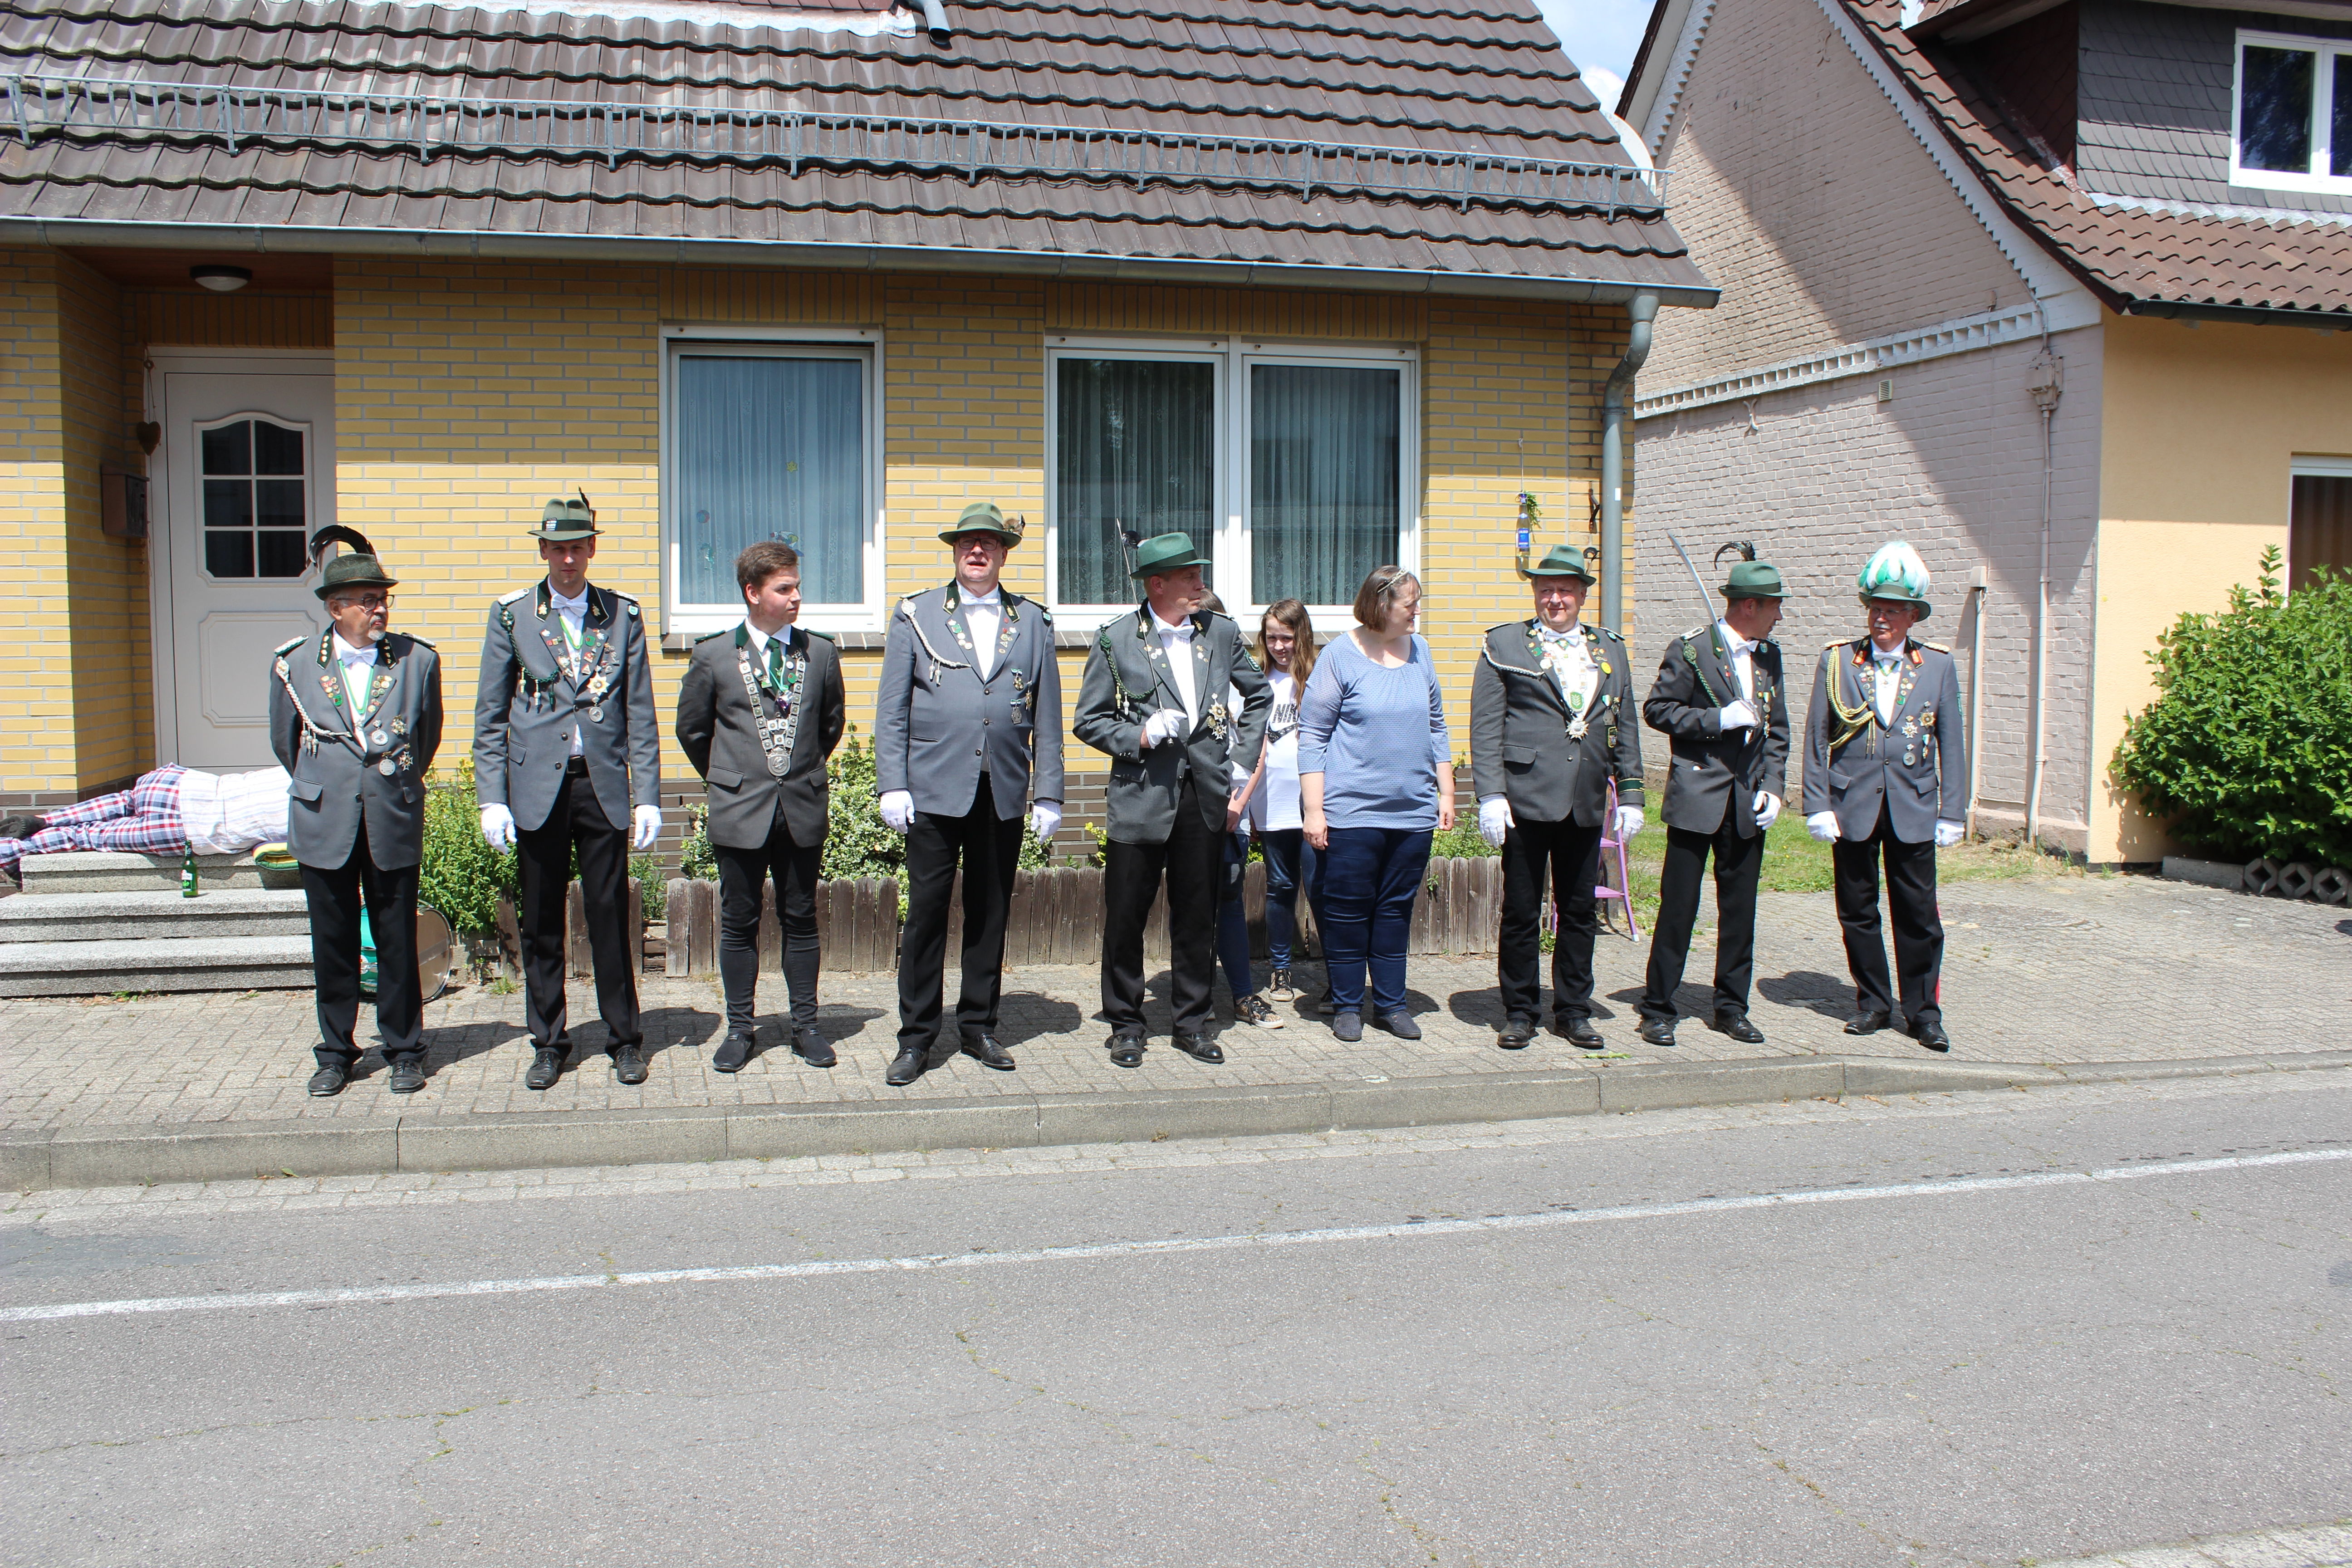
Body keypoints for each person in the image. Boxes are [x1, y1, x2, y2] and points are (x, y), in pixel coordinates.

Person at [473, 497, 664, 1090]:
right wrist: (491, 796)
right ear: (543, 551)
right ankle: (549, 1042)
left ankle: (624, 1039)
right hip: (536, 786)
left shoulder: (621, 615)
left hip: (601, 784)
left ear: (592, 549)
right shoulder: (513, 616)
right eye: (558, 548)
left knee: (610, 916)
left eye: (578, 548)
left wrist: (648, 793)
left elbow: (640, 710)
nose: (568, 559)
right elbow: (490, 715)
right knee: (541, 923)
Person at [872, 502, 1064, 1087]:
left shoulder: (1033, 620)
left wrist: (1049, 792)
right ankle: (916, 1037)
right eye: (966, 543)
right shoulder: (917, 613)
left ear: (1004, 553)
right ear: (955, 551)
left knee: (990, 913)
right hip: (932, 789)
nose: (976, 551)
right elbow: (891, 709)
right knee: (927, 915)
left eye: (988, 543)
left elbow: (1048, 715)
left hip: (1001, 788)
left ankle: (979, 1025)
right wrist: (892, 783)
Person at [1074, 533, 1271, 1068]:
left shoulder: (1220, 632)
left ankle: (1192, 1022)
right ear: (1157, 584)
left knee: (1196, 916)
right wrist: (1138, 735)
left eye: (1199, 573)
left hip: (1203, 797)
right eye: (1189, 576)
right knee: (1126, 918)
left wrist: (1240, 759)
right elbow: (1089, 720)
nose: (1200, 583)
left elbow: (1260, 695)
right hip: (1141, 795)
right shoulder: (1117, 638)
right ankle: (1126, 1024)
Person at [268, 536, 444, 1097]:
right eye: (367, 600)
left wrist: (380, 784)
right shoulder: (295, 664)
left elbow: (426, 737)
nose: (379, 609)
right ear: (335, 607)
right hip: (325, 820)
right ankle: (336, 1053)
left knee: (397, 940)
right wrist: (337, 782)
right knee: (334, 943)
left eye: (383, 599)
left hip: (391, 814)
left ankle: (405, 1050)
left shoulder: (417, 660)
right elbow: (285, 743)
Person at [676, 540, 848, 1073]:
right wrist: (730, 777)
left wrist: (795, 770)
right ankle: (740, 1029)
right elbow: (692, 729)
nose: (796, 597)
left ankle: (806, 1027)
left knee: (801, 918)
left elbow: (831, 724)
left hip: (801, 806)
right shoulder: (713, 656)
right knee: (739, 921)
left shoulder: (820, 654)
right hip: (739, 809)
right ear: (753, 593)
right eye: (784, 588)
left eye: (797, 587)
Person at [1469, 544, 1646, 1050]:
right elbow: (1486, 726)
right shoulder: (1505, 643)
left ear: (1583, 595)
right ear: (1535, 593)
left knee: (1579, 911)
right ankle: (1520, 1011)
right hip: (1525, 799)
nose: (1555, 600)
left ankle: (1573, 1011)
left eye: (1565, 591)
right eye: (1545, 590)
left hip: (1585, 798)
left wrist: (1631, 794)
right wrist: (1491, 794)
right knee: (1522, 911)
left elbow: (1624, 725)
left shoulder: (1610, 648)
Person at [1803, 542, 1969, 1052]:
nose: (1881, 619)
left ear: (1912, 617)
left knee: (1918, 914)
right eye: (1875, 609)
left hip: (1914, 804)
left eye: (1893, 611)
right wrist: (1817, 804)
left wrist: (1953, 812)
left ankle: (1924, 1014)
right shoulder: (1838, 661)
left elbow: (1952, 742)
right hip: (1852, 804)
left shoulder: (1937, 665)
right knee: (1858, 910)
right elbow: (1816, 737)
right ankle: (1873, 1003)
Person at [1636, 551, 1791, 1048]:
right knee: (1679, 909)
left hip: (1746, 801)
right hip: (1697, 796)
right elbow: (1657, 710)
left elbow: (1778, 731)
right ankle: (1658, 1008)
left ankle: (1732, 1008)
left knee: (1740, 912)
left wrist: (1773, 786)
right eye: (1774, 606)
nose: (1780, 615)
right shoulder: (1692, 650)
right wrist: (1717, 720)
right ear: (1749, 605)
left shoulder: (1769, 657)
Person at [1298, 565, 1455, 1044]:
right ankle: (1347, 1006)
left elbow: (1437, 725)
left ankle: (1391, 1005)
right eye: (1411, 603)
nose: (1418, 611)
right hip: (1352, 813)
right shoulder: (1339, 656)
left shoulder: (1420, 651)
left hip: (1412, 814)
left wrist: (1447, 793)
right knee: (1347, 913)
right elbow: (1313, 735)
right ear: (1383, 605)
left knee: (1394, 912)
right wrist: (1314, 810)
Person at [1203, 593, 1282, 1032]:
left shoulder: (1238, 681)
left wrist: (1238, 804)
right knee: (1193, 904)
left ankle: (1242, 995)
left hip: (1233, 809)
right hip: (1191, 810)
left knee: (1230, 903)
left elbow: (1260, 750)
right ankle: (1195, 998)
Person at [1245, 601, 1320, 1007]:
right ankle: (1280, 969)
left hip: (1314, 804)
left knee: (1321, 887)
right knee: (1280, 886)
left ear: (1301, 637)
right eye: (1271, 637)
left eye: (1287, 638)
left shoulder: (1319, 679)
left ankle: (1336, 975)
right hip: (1270, 801)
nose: (1278, 646)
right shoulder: (1255, 681)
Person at [0, 764, 289, 867]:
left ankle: (46, 819)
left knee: (125, 800)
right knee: (86, 836)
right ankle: (10, 852)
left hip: (180, 783)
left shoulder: (304, 768)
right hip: (187, 828)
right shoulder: (316, 820)